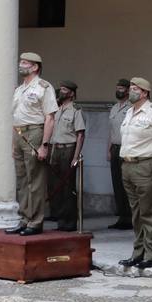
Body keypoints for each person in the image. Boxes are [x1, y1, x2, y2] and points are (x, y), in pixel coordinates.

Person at [119, 77, 152, 269]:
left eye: (135, 89)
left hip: (146, 165)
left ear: (144, 93)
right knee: (136, 212)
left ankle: (151, 255)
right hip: (127, 165)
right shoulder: (129, 112)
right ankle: (138, 252)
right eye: (130, 88)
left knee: (148, 212)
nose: (131, 91)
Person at [8, 52, 58, 236]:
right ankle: (24, 218)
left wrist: (44, 144)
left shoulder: (44, 87)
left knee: (35, 180)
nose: (21, 65)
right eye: (20, 62)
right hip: (19, 133)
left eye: (25, 63)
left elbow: (50, 117)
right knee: (22, 180)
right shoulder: (20, 88)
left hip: (34, 132)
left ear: (35, 67)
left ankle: (35, 221)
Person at [50, 81, 86, 232]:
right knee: (56, 186)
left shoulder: (76, 110)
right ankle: (60, 218)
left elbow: (80, 135)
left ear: (71, 93)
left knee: (68, 187)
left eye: (65, 90)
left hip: (68, 149)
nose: (61, 91)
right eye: (61, 89)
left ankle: (70, 221)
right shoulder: (56, 109)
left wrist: (75, 156)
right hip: (55, 149)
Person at [107, 78, 134, 230]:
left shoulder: (131, 108)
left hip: (126, 149)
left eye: (121, 88)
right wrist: (109, 149)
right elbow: (111, 131)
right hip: (115, 148)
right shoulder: (114, 108)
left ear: (128, 90)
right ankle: (122, 216)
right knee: (117, 184)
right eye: (117, 87)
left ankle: (129, 217)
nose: (119, 90)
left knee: (126, 185)